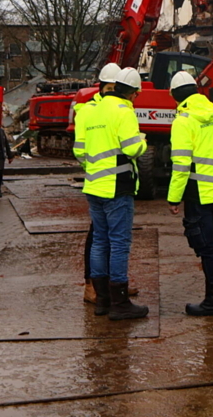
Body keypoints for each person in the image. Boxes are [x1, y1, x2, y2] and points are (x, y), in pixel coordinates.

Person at [78, 67, 148, 320]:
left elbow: (80, 151)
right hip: (118, 186)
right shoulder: (124, 112)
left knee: (99, 241)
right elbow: (132, 150)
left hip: (93, 185)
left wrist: (95, 171)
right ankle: (120, 303)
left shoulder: (89, 111)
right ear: (134, 93)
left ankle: (102, 301)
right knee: (119, 243)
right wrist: (142, 140)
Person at [166, 70, 213, 316]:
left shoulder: (183, 121)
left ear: (175, 96)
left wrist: (174, 197)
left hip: (198, 193)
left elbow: (181, 166)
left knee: (206, 248)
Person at [74, 62, 120, 304]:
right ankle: (90, 285)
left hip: (115, 181)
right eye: (110, 87)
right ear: (102, 86)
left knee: (114, 236)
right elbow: (80, 149)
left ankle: (114, 283)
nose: (113, 91)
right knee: (98, 237)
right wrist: (94, 168)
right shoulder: (89, 110)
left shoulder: (116, 107)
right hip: (100, 182)